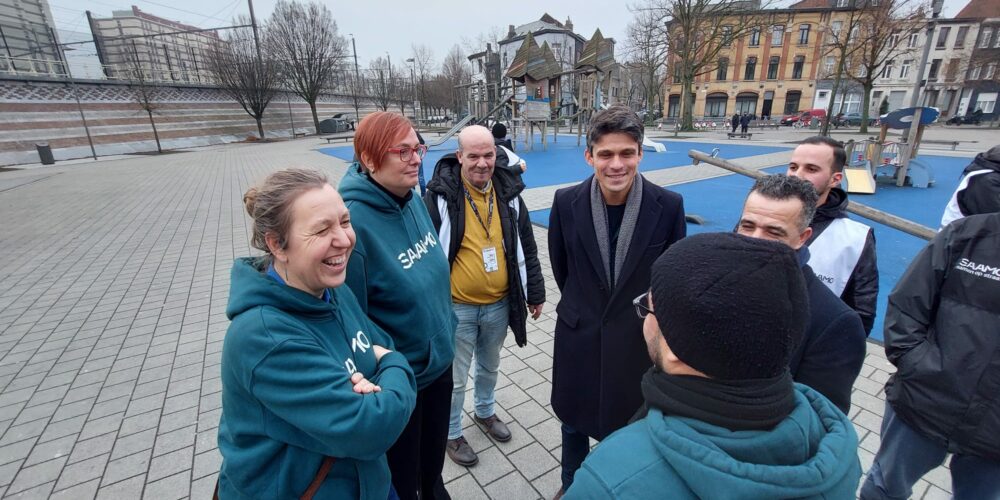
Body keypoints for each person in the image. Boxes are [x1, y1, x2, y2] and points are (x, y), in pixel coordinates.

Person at [564, 233, 862, 499]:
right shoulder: (831, 437)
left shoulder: (610, 479)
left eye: (649, 307)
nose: (643, 319)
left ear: (677, 352)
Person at [218, 169, 417, 499]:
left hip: (368, 483)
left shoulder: (328, 288)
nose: (344, 239)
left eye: (344, 221)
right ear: (277, 245)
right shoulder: (265, 338)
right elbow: (372, 427)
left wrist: (383, 368)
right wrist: (395, 365)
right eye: (322, 229)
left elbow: (381, 342)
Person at [548, 105, 686, 494]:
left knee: (629, 427)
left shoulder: (668, 205)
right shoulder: (565, 202)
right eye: (606, 154)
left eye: (627, 153)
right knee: (573, 421)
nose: (616, 164)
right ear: (589, 155)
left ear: (640, 153)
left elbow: (670, 278)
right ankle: (571, 485)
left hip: (634, 342)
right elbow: (563, 268)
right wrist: (583, 306)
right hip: (580, 333)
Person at [339, 111, 456, 500]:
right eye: (402, 151)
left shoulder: (411, 198)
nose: (416, 158)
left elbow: (432, 272)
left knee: (432, 468)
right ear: (370, 159)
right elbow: (352, 318)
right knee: (404, 480)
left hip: (439, 362)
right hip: (403, 381)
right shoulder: (353, 225)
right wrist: (392, 369)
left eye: (417, 148)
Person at [423, 125, 546, 467]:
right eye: (473, 155)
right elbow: (425, 255)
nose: (481, 163)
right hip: (457, 308)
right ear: (459, 156)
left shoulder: (508, 193)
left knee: (490, 366)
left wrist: (534, 291)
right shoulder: (440, 196)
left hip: (499, 304)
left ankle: (485, 412)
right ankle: (450, 433)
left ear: (498, 154)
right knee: (456, 377)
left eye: (488, 155)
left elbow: (529, 247)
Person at [860, 211, 1000, 500]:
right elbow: (907, 305)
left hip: (994, 429)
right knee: (884, 489)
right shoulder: (968, 235)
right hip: (926, 399)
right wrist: (918, 366)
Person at [736, 174, 867, 413]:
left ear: (802, 238)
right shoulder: (715, 279)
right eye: (748, 226)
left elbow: (817, 418)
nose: (755, 240)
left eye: (773, 232)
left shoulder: (835, 322)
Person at [787, 135, 878, 335]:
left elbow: (861, 312)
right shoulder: (758, 219)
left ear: (835, 179)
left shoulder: (855, 237)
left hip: (809, 352)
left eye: (811, 169)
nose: (797, 175)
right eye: (793, 167)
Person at [940, 144, 1000, 227]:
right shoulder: (986, 181)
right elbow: (993, 218)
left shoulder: (990, 174)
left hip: (974, 232)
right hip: (960, 236)